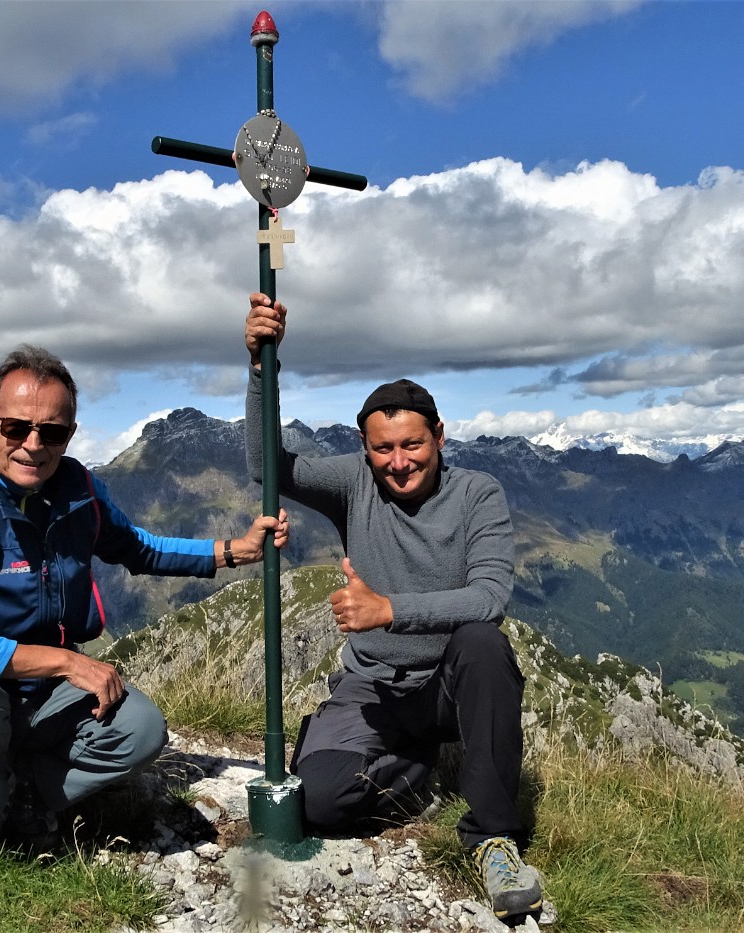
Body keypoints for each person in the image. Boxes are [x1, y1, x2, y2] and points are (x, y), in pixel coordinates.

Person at [0, 344, 289, 860]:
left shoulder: (79, 488)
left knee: (142, 730)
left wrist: (234, 552)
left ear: (70, 435)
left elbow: (139, 547)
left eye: (52, 432)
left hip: (45, 693)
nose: (33, 445)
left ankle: (25, 796)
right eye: (16, 428)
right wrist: (66, 661)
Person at [243, 295, 543, 921]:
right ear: (364, 446)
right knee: (318, 805)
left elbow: (489, 595)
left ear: (439, 435)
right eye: (383, 450)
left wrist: (389, 609)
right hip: (372, 686)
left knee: (484, 642)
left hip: (448, 685)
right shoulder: (354, 482)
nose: (399, 462)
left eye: (412, 445)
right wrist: (258, 368)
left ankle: (494, 839)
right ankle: (420, 777)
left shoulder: (478, 493)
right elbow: (264, 467)